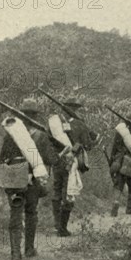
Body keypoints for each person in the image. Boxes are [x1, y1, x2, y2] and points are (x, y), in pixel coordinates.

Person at [0, 99, 53, 260]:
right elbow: (50, 160)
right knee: (31, 212)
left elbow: (2, 159)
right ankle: (29, 248)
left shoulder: (11, 134)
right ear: (36, 116)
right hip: (33, 181)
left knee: (15, 216)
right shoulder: (41, 136)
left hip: (15, 179)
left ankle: (16, 257)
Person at [50, 96, 95, 237]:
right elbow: (88, 144)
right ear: (76, 109)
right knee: (68, 193)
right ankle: (62, 228)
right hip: (71, 161)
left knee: (57, 190)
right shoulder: (80, 124)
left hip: (57, 160)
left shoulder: (54, 123)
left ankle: (57, 224)